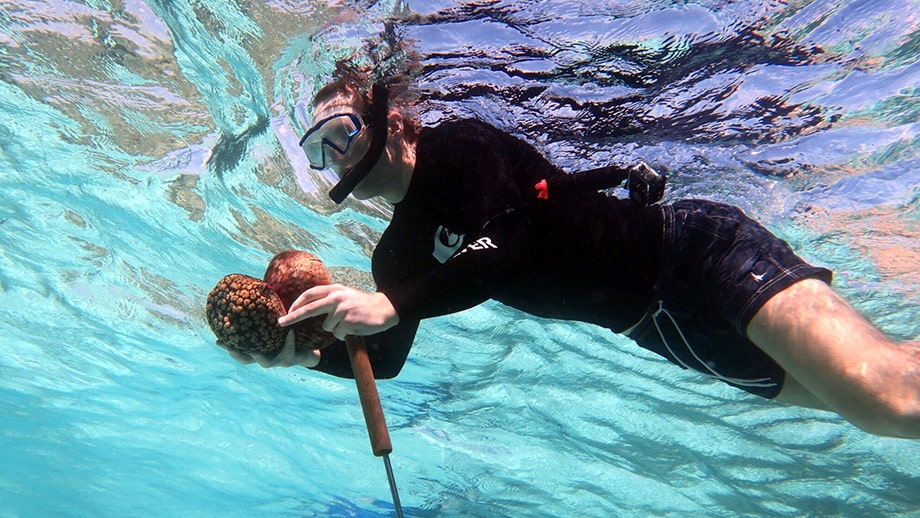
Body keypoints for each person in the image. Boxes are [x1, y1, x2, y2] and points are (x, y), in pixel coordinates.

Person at [236, 74, 920, 439]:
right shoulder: (395, 258)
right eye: (320, 149)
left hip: (694, 253)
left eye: (342, 132)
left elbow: (510, 238)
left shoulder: (462, 148)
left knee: (890, 404)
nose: (336, 157)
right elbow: (383, 358)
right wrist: (307, 356)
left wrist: (394, 302)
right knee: (861, 397)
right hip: (661, 329)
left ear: (390, 118)